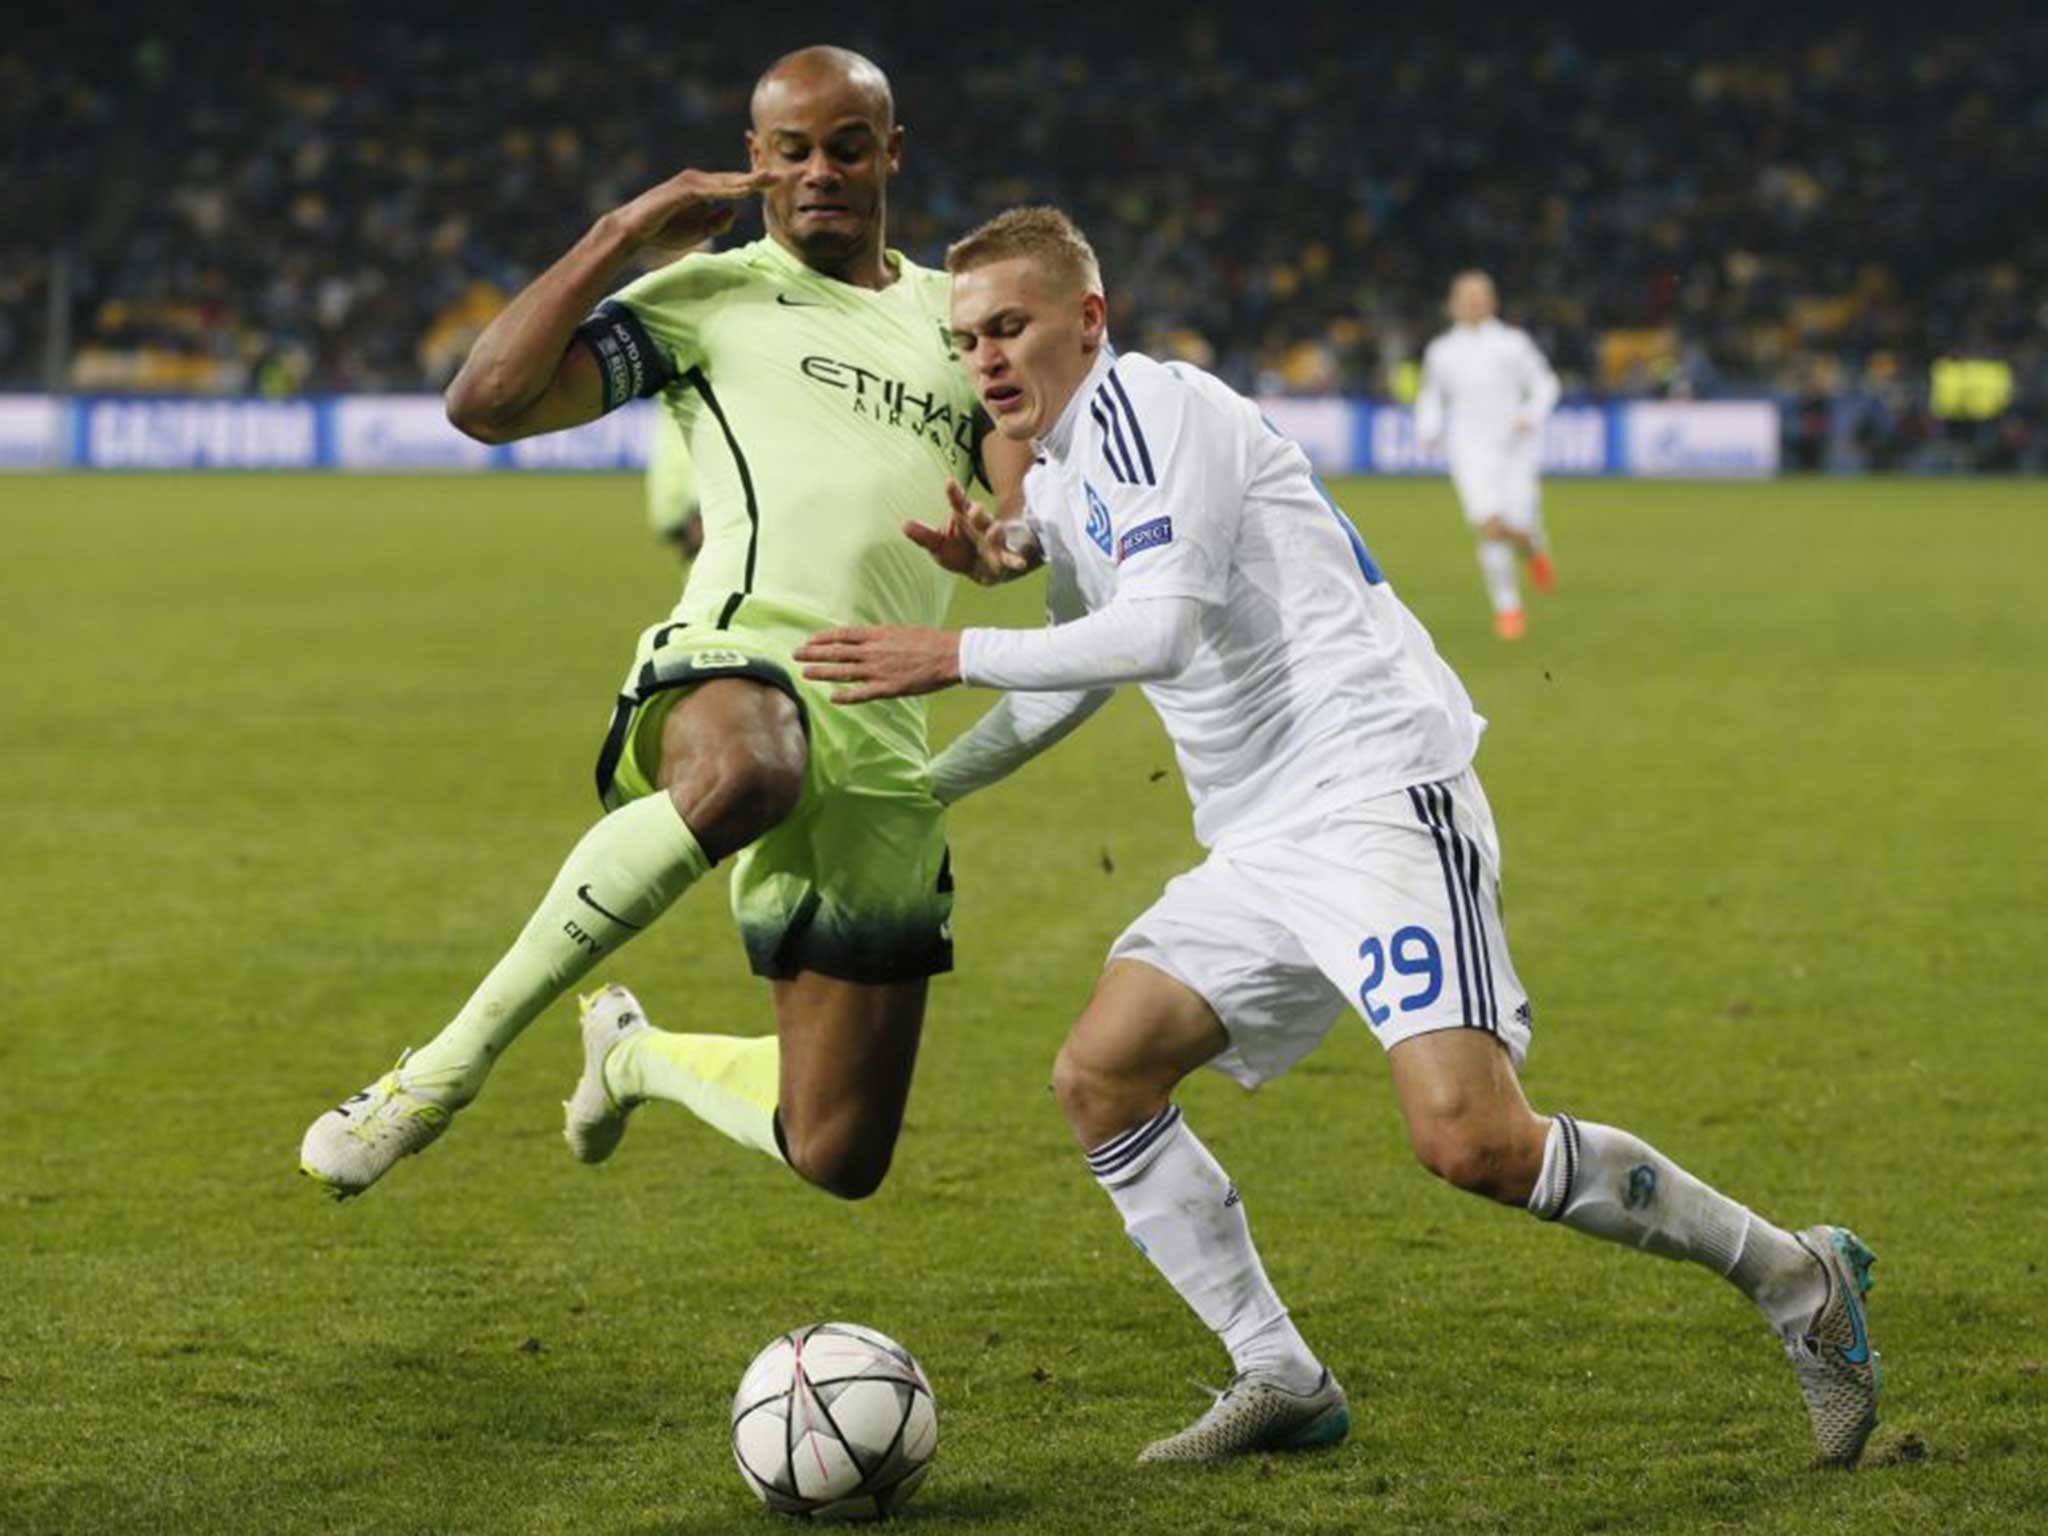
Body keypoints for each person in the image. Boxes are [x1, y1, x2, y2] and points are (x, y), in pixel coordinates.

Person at [793, 207, 1881, 1466]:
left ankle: (1800, 1282)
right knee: (1102, 1075)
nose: (983, 359)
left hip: (1372, 791)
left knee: (1470, 1140)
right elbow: (1071, 674)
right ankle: (1280, 1374)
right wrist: (928, 791)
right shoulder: (1068, 468)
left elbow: (1158, 637)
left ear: (1086, 319)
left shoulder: (1152, 406)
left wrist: (947, 652)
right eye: (966, 337)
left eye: (1009, 327)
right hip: (1259, 836)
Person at [299, 46, 1032, 1203]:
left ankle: (630, 1057)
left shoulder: (962, 318)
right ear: (755, 161)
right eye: (791, 151)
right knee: (746, 769)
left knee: (837, 1149)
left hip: (887, 723)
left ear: (890, 151)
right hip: (742, 657)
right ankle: (441, 1070)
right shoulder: (707, 295)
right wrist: (618, 235)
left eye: (847, 146)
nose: (820, 172)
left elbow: (1015, 497)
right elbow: (483, 405)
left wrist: (1008, 544)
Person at [1414, 271, 1560, 640]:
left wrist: (1531, 414)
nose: (1473, 303)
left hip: (1515, 450)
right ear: (1453, 304)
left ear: (1492, 301)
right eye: (1466, 296)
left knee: (1516, 522)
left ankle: (1533, 545)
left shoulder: (1513, 343)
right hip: (1469, 451)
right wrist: (1428, 428)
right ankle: (1508, 608)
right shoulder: (1441, 351)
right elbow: (1431, 396)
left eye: (1480, 296)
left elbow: (1545, 383)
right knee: (1490, 527)